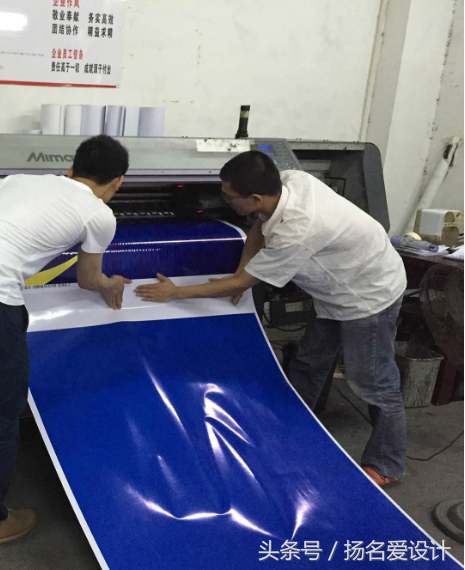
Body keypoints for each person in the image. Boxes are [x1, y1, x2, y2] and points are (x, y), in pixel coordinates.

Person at [134, 150, 407, 487]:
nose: (223, 200)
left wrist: (177, 293)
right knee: (308, 365)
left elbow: (243, 283)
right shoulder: (291, 181)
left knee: (373, 382)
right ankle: (291, 430)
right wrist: (240, 272)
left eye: (229, 196)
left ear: (255, 197)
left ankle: (386, 463)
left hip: (369, 297)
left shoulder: (297, 229)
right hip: (336, 290)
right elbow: (259, 227)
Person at [0, 135, 131, 552]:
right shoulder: (99, 215)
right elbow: (88, 279)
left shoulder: (21, 180)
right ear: (118, 181)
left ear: (71, 168)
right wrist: (110, 284)